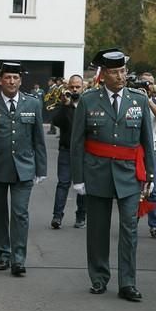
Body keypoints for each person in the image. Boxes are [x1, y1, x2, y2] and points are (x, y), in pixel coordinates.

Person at [70, 50, 155, 301]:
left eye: (123, 71)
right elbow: (77, 142)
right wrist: (78, 178)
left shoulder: (138, 99)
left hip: (129, 175)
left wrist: (150, 175)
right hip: (97, 172)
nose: (120, 76)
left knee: (129, 230)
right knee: (98, 229)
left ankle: (128, 282)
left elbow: (147, 142)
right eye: (115, 72)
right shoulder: (88, 100)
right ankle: (98, 277)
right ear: (103, 74)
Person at [0, 61, 47, 276]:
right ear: (0, 80)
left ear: (20, 80)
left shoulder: (32, 104)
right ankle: (3, 253)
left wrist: (41, 169)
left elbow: (38, 139)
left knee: (20, 213)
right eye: (7, 77)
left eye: (15, 78)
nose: (11, 81)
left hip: (23, 167)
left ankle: (18, 258)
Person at [51, 74, 86, 229]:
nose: (74, 89)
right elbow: (56, 122)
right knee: (63, 183)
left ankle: (81, 216)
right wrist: (65, 104)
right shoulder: (64, 103)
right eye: (72, 87)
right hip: (66, 150)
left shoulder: (88, 103)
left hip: (85, 151)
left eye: (77, 87)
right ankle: (57, 217)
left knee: (83, 185)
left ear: (83, 88)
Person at [139, 73, 156, 240]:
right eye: (143, 82)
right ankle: (130, 224)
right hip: (133, 150)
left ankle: (155, 226)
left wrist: (146, 100)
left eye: (148, 83)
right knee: (131, 190)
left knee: (152, 189)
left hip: (149, 150)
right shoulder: (130, 99)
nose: (146, 86)